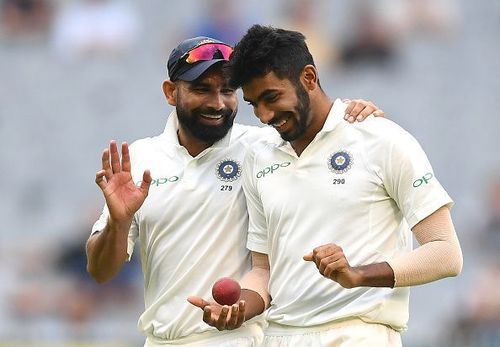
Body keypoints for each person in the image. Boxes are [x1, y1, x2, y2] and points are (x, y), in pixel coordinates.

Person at [86, 34, 384, 347]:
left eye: (227, 90)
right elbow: (101, 272)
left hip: (243, 337)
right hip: (161, 341)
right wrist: (117, 223)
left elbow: (321, 132)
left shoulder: (266, 148)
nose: (217, 103)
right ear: (171, 92)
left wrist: (350, 113)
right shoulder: (141, 159)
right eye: (202, 90)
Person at [187, 25, 463, 346]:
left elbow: (446, 253)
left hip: (357, 333)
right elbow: (263, 270)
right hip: (279, 336)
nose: (263, 115)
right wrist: (239, 308)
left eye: (271, 97)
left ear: (308, 78)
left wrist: (358, 274)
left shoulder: (382, 139)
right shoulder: (258, 158)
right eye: (253, 104)